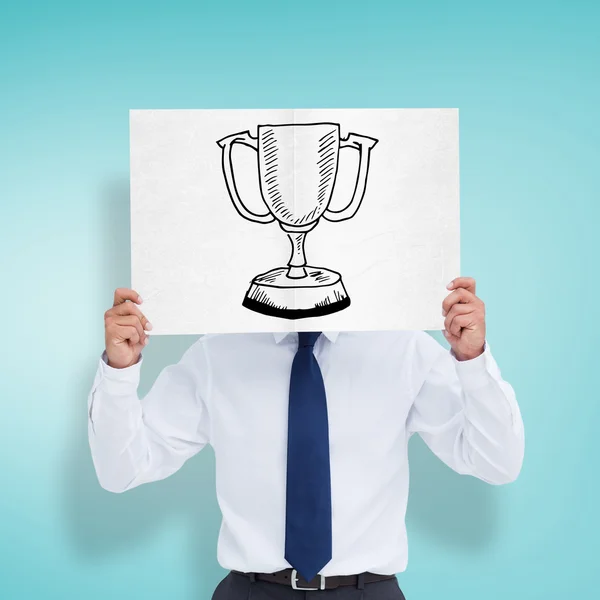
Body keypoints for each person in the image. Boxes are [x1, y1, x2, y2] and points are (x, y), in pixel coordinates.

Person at [87, 277, 524, 599]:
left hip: (368, 592)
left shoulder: (404, 348)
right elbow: (122, 470)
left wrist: (473, 361)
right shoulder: (216, 353)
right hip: (251, 591)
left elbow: (497, 462)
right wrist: (119, 373)